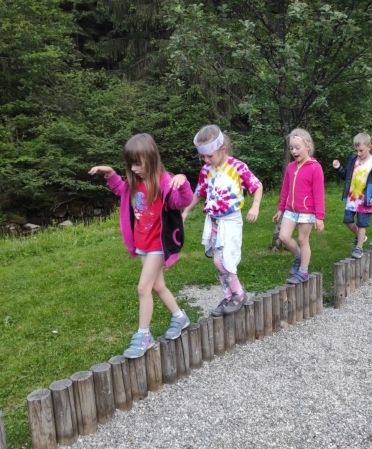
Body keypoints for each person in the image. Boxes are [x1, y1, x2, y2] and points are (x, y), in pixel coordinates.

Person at [88, 133, 193, 358]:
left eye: (138, 163)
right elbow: (120, 189)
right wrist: (110, 173)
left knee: (143, 288)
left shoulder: (164, 181)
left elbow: (181, 201)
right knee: (157, 286)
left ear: (151, 157)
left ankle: (144, 334)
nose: (134, 169)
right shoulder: (134, 183)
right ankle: (180, 316)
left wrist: (183, 181)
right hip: (142, 244)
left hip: (157, 244)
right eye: (130, 165)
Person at [182, 124, 263, 317]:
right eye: (203, 156)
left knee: (224, 261)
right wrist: (185, 211)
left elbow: (257, 186)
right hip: (213, 221)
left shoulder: (237, 167)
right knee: (217, 261)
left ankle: (239, 294)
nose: (206, 160)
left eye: (209, 156)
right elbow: (198, 193)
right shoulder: (206, 170)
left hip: (230, 221)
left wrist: (255, 206)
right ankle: (228, 296)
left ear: (223, 149)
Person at [273, 128, 325, 283]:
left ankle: (303, 271)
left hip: (307, 212)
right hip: (290, 210)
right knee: (283, 237)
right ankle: (298, 256)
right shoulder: (290, 167)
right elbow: (285, 189)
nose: (294, 151)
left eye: (297, 147)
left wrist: (319, 217)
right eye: (291, 148)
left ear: (307, 146)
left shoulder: (315, 168)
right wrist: (280, 208)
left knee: (303, 240)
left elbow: (319, 194)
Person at [332, 133, 372, 259]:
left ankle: (359, 247)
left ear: (369, 147)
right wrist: (338, 168)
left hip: (366, 199)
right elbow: (346, 177)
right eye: (356, 151)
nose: (358, 153)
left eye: (361, 150)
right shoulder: (353, 160)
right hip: (352, 198)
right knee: (348, 220)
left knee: (362, 224)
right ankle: (361, 237)